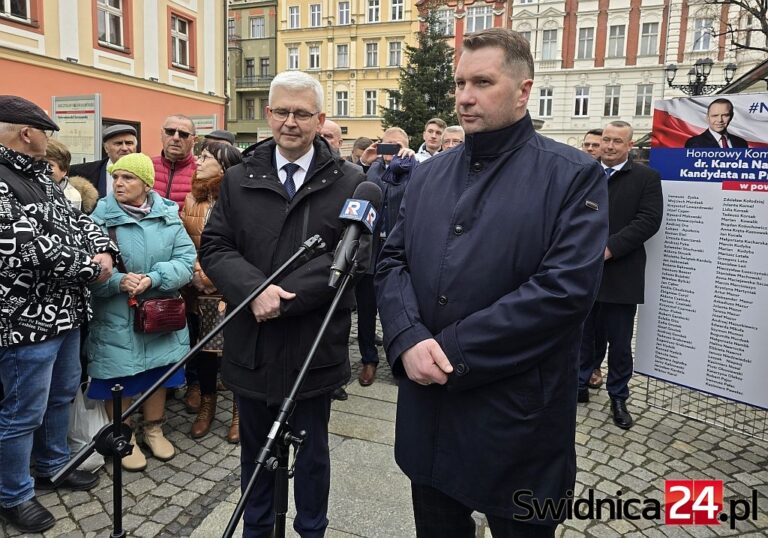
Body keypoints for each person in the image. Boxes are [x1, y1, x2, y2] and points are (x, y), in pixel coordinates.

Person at [375, 29, 608, 537]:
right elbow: (392, 260)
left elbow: (563, 292)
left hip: (517, 422)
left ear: (524, 90)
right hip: (430, 417)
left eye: (482, 81)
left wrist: (448, 350)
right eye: (460, 82)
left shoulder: (572, 175)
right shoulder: (429, 175)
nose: (464, 96)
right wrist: (408, 338)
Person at [199, 70, 365, 538]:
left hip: (314, 346)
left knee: (312, 454)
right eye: (282, 111)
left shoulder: (350, 181)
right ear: (268, 114)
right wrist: (255, 289)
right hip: (251, 344)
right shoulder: (236, 179)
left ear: (320, 119)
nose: (290, 122)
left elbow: (354, 257)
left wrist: (283, 298)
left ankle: (312, 530)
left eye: (302, 113)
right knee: (255, 454)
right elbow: (215, 246)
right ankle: (257, 531)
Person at [0, 96, 114, 533]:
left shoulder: (41, 177)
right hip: (25, 320)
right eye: (45, 131)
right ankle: (14, 494)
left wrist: (103, 247)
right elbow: (21, 247)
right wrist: (91, 266)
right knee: (21, 410)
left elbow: (80, 221)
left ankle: (53, 465)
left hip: (65, 312)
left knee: (61, 395)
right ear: (27, 133)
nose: (48, 140)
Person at [87, 153, 195, 471]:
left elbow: (186, 261)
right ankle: (125, 435)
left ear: (147, 184)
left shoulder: (167, 215)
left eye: (128, 178)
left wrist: (154, 278)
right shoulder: (98, 220)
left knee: (157, 373)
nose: (119, 183)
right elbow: (88, 271)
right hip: (116, 316)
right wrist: (118, 281)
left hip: (159, 313)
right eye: (116, 177)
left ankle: (154, 428)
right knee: (118, 376)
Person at [577, 121, 663, 430]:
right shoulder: (584, 173)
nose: (610, 146)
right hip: (583, 269)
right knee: (583, 332)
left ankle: (618, 395)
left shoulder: (646, 178)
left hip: (621, 271)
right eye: (606, 140)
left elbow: (649, 221)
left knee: (620, 341)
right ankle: (580, 383)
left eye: (617, 141)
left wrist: (610, 249)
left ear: (630, 146)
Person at [180, 141, 243, 442]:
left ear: (224, 164)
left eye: (206, 158)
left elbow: (244, 245)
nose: (199, 161)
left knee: (236, 349)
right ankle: (207, 405)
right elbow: (184, 242)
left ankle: (238, 412)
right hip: (200, 288)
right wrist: (198, 274)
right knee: (206, 350)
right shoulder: (192, 199)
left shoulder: (241, 197)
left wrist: (221, 276)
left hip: (233, 287)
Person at [354, 127, 417, 387]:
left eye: (397, 145)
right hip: (369, 251)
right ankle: (369, 359)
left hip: (398, 253)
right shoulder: (374, 169)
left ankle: (397, 358)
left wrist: (410, 163)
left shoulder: (415, 169)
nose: (391, 150)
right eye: (387, 145)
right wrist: (365, 161)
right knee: (366, 310)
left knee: (396, 308)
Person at [580, 128, 605, 390]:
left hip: (613, 264)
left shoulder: (641, 177)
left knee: (604, 328)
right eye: (586, 144)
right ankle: (581, 374)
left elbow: (644, 219)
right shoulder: (576, 172)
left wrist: (610, 248)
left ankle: (597, 367)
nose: (590, 148)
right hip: (581, 259)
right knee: (584, 326)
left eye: (594, 144)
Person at [69, 124, 138, 198]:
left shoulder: (146, 172)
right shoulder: (81, 172)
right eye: (118, 143)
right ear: (106, 148)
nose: (124, 148)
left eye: (129, 143)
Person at [152, 114, 197, 212]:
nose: (176, 138)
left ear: (194, 140)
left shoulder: (202, 171)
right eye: (170, 132)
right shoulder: (147, 166)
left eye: (183, 134)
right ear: (161, 134)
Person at [46, 138, 100, 214]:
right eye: (37, 163)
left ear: (64, 170)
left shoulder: (77, 198)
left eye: (50, 165)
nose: (42, 168)